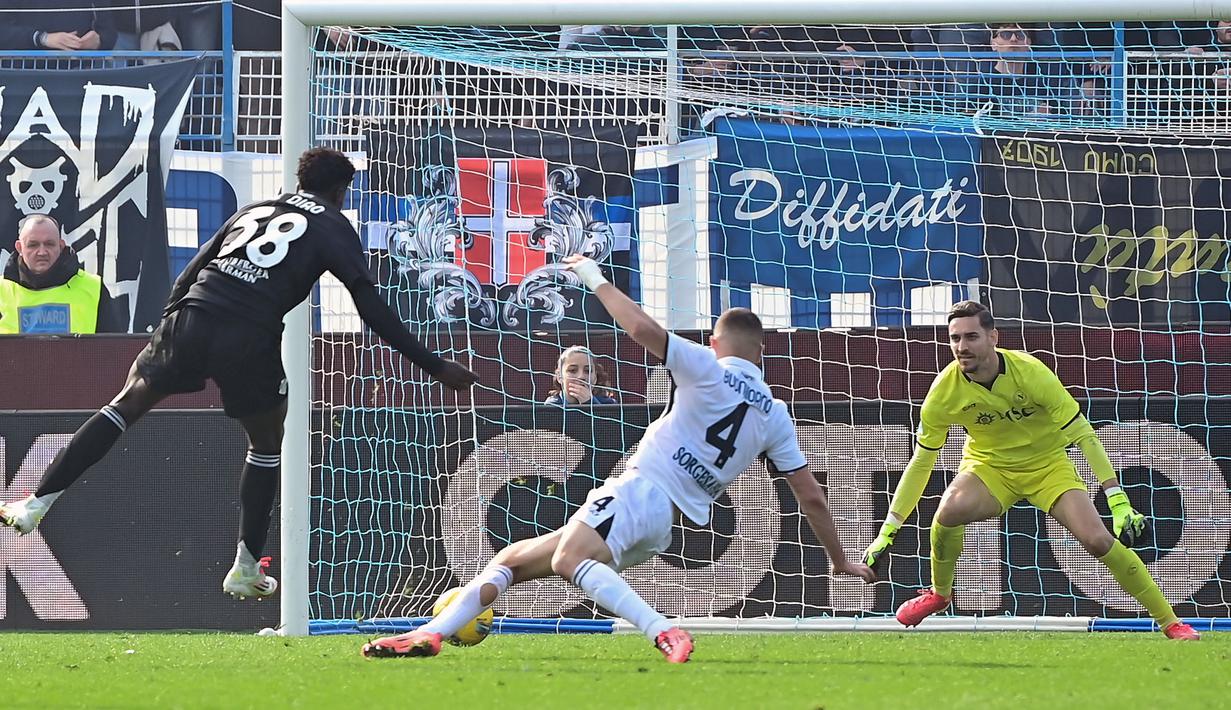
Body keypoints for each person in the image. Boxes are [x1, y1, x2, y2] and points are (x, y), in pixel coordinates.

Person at [0, 148, 479, 600]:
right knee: (267, 439)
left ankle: (36, 501)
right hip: (247, 333)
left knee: (126, 403)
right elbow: (370, 306)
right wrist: (434, 365)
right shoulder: (333, 225)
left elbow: (195, 265)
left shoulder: (254, 209)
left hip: (191, 315)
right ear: (339, 192)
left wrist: (170, 321)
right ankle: (247, 566)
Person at [362, 255, 876, 663]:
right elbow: (809, 495)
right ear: (761, 351)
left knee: (567, 561)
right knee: (512, 560)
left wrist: (593, 277)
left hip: (639, 490)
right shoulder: (776, 413)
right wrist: (839, 561)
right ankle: (427, 635)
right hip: (665, 523)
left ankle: (661, 628)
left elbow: (643, 331)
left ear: (716, 342)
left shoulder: (707, 366)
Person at [862, 301, 1199, 641]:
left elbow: (1082, 433)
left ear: (993, 337)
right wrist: (887, 530)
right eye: (954, 338)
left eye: (971, 337)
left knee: (1098, 541)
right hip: (990, 467)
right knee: (949, 511)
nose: (962, 347)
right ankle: (939, 594)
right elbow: (921, 462)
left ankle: (1171, 622)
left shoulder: (1031, 372)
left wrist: (1116, 498)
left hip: (1048, 467)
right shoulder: (943, 393)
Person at [0, 214, 124, 334]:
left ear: (61, 246)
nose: (42, 252)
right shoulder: (2, 290)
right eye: (33, 245)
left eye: (49, 244)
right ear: (19, 247)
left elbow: (113, 350)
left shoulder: (93, 288)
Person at [0, 0, 117, 51]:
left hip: (80, 73)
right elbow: (3, 32)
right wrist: (42, 38)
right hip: (25, 73)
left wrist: (98, 41)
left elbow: (109, 32)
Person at [544, 345, 617, 406]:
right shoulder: (551, 406)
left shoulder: (609, 404)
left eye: (587, 371)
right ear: (559, 377)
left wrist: (590, 403)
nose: (581, 376)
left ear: (595, 378)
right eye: (572, 370)